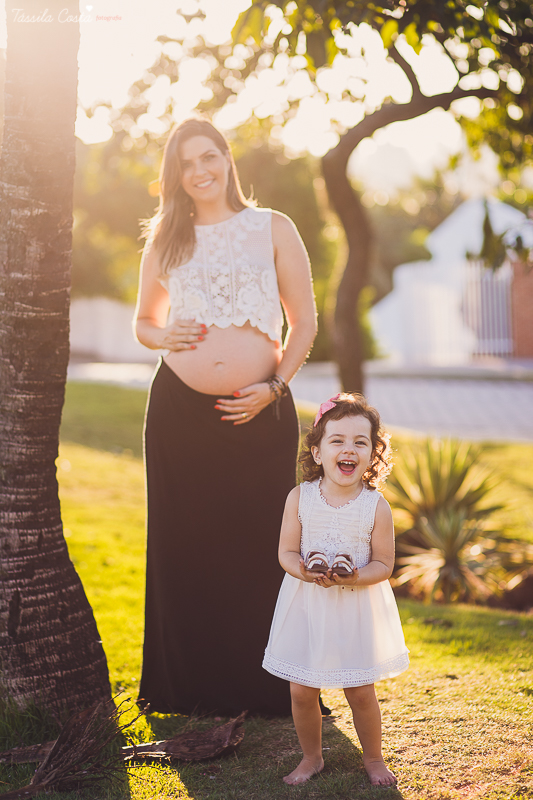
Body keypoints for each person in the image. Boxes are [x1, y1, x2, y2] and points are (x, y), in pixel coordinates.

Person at [133, 117, 317, 717]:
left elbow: (304, 324)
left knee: (262, 543)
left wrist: (274, 387)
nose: (200, 171)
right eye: (187, 164)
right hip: (178, 413)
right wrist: (165, 333)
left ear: (227, 160)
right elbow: (144, 322)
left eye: (209, 157)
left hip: (258, 411)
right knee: (183, 544)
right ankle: (185, 689)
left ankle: (269, 687)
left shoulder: (272, 228)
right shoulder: (166, 236)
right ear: (175, 175)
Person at [263, 392, 409, 785]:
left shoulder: (376, 506)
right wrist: (305, 572)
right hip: (307, 603)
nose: (349, 449)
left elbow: (383, 564)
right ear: (317, 452)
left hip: (354, 607)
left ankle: (374, 759)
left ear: (373, 453)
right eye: (338, 440)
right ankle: (311, 757)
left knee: (360, 691)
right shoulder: (300, 498)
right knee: (301, 691)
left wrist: (354, 577)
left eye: (360, 442)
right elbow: (286, 552)